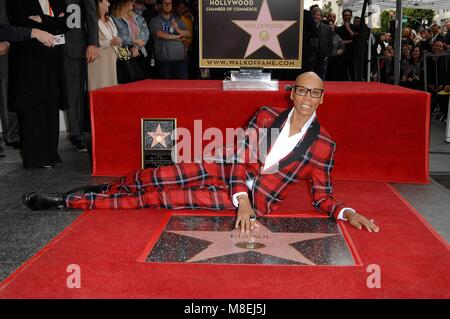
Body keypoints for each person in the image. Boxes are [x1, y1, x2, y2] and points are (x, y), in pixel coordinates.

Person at [24, 72, 380, 234]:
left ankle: (65, 202)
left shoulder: (324, 145)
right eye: (301, 91)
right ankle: (103, 189)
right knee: (152, 176)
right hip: (227, 172)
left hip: (256, 201)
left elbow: (321, 195)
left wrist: (347, 212)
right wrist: (240, 197)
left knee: (157, 197)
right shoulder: (266, 115)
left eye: (314, 94)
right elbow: (241, 157)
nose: (306, 99)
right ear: (291, 93)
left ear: (322, 98)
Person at [7, 0, 68, 169]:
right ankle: (36, 157)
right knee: (32, 107)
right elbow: (20, 22)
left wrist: (42, 19)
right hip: (28, 60)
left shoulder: (57, 0)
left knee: (51, 103)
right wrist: (51, 22)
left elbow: (66, 24)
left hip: (52, 58)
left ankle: (51, 153)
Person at [62, 0, 100, 152]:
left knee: (75, 91)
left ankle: (77, 133)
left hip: (74, 45)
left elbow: (91, 14)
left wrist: (93, 42)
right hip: (48, 43)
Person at [150, 0, 191, 79]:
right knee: (166, 89)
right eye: (165, 3)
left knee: (182, 88)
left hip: (181, 60)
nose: (168, 5)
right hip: (164, 61)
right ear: (160, 5)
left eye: (170, 3)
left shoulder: (177, 19)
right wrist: (178, 37)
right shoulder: (155, 20)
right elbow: (160, 34)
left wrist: (177, 29)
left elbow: (188, 34)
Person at [87, 0, 121, 91]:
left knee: (111, 87)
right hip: (98, 60)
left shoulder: (110, 19)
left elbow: (115, 36)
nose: (109, 4)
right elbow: (89, 42)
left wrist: (118, 40)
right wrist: (109, 43)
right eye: (106, 1)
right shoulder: (90, 21)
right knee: (99, 86)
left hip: (111, 59)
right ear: (98, 3)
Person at [311, 7, 333, 80]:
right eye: (314, 14)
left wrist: (327, 56)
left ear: (321, 17)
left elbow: (330, 44)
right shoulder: (306, 27)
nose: (316, 16)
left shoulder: (327, 28)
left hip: (322, 60)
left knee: (321, 80)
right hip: (309, 60)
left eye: (318, 15)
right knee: (309, 79)